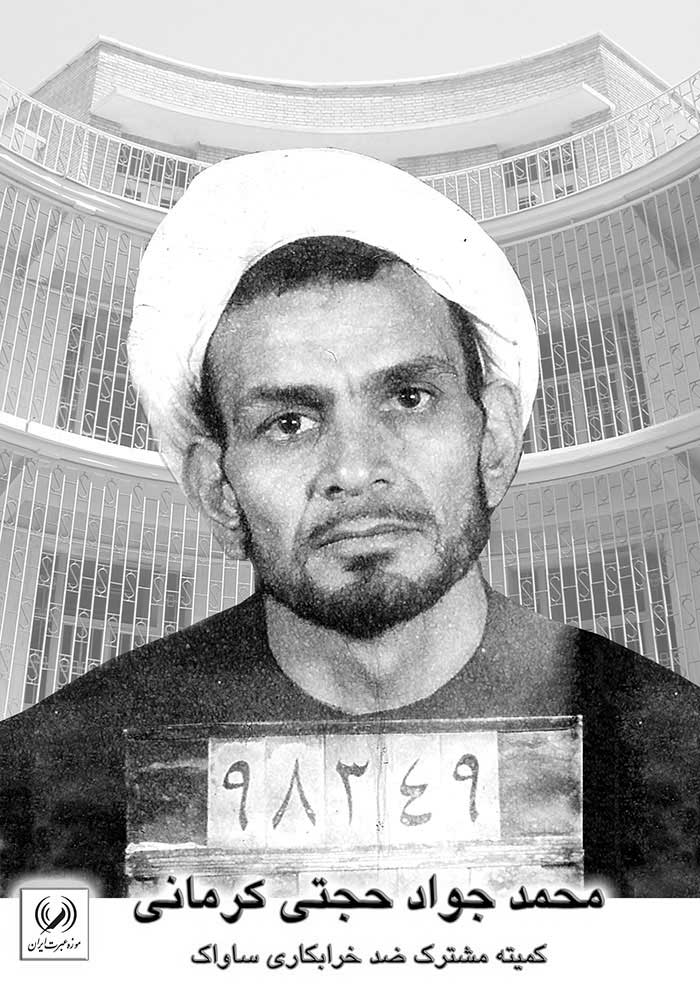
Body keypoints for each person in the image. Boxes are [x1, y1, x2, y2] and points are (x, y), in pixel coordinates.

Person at [1, 149, 699, 897]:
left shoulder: (677, 760)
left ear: (493, 441)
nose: (356, 468)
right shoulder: (41, 791)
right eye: (290, 422)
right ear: (219, 491)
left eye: (409, 398)